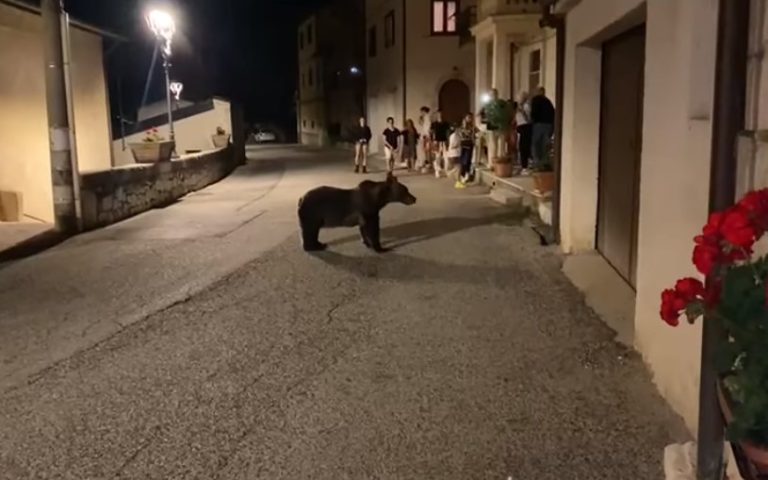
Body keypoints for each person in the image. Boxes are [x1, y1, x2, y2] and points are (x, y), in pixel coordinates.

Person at [530, 86, 555, 169]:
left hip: (539, 124)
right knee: (545, 145)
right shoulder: (548, 101)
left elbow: (534, 113)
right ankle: (545, 163)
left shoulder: (536, 100)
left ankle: (537, 163)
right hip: (548, 125)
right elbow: (553, 113)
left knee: (536, 144)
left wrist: (532, 121)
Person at [455, 113, 478, 189]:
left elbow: (476, 134)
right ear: (465, 118)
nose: (469, 119)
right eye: (468, 118)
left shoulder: (473, 128)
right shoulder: (461, 128)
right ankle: (460, 179)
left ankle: (464, 177)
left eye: (470, 118)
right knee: (462, 162)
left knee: (468, 161)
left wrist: (474, 138)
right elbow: (459, 135)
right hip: (463, 145)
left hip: (470, 145)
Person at [515, 90, 533, 174]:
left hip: (526, 127)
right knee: (521, 147)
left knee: (524, 147)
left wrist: (522, 111)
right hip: (520, 127)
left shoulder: (526, 106)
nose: (518, 99)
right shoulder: (519, 106)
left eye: (520, 97)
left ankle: (525, 166)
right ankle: (523, 165)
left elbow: (528, 119)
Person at [430, 111, 451, 178]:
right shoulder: (434, 124)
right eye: (439, 115)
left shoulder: (446, 123)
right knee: (437, 157)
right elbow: (431, 133)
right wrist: (433, 141)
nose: (440, 116)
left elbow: (448, 133)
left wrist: (448, 141)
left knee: (446, 157)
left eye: (442, 114)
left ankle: (446, 170)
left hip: (444, 141)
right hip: (437, 142)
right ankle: (437, 171)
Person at [417, 106, 432, 173]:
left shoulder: (427, 117)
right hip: (424, 135)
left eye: (421, 112)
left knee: (426, 150)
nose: (421, 113)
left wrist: (426, 135)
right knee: (424, 150)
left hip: (426, 136)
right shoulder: (425, 118)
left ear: (424, 111)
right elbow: (422, 126)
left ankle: (427, 164)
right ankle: (426, 163)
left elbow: (427, 128)